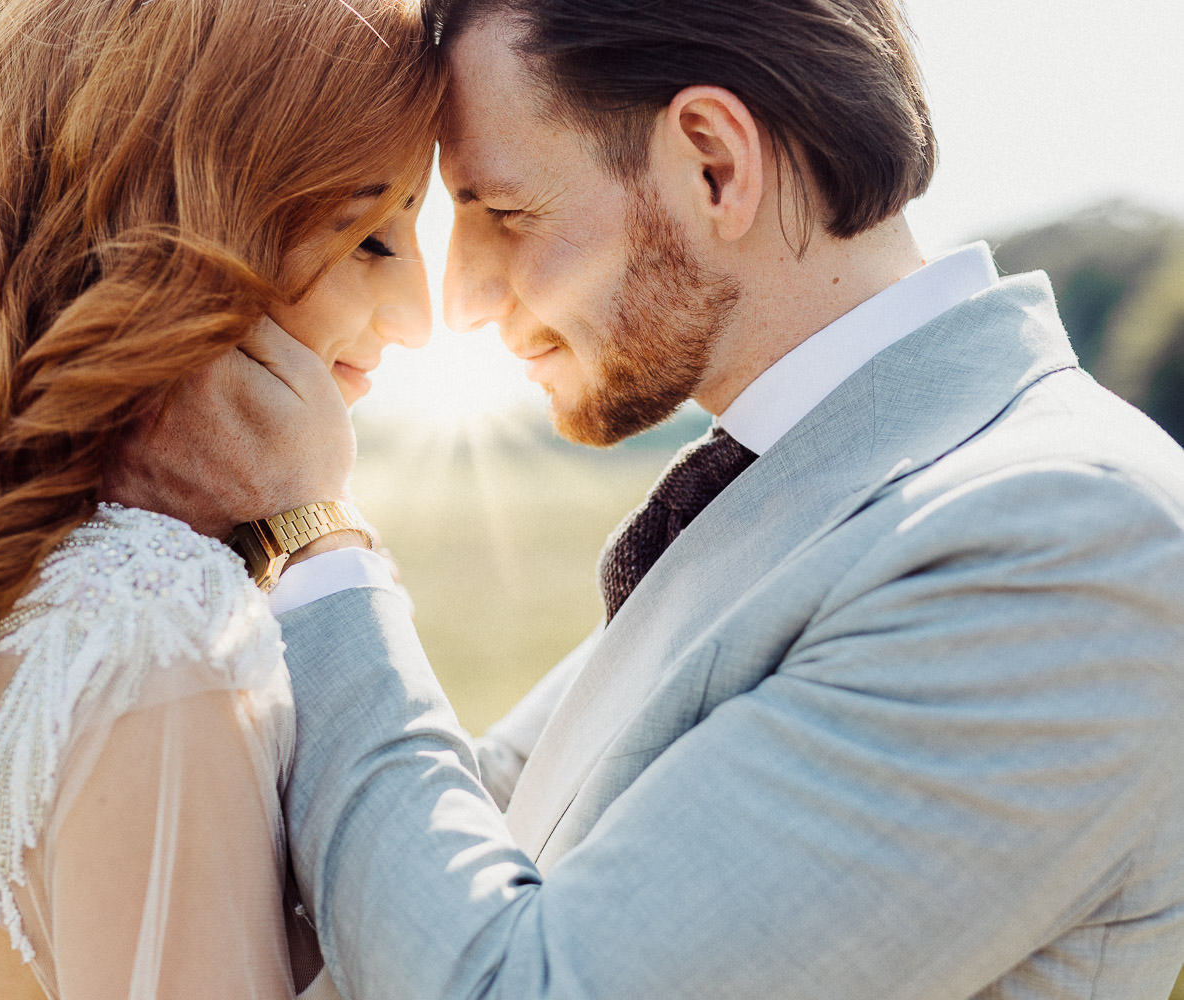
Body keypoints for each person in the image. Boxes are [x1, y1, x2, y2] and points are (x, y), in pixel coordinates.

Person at [111, 0, 1184, 997]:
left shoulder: (1065, 540)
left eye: (505, 210)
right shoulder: (801, 484)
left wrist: (313, 529)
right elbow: (469, 830)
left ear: (713, 164)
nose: (464, 300)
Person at [0, 1, 440, 998]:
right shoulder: (160, 626)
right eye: (367, 235)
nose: (421, 316)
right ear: (182, 235)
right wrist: (320, 520)